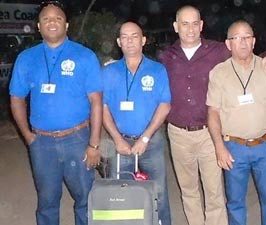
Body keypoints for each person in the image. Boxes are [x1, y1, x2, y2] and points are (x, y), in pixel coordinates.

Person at [158, 5, 266, 225]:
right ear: (176, 27)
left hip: (209, 132)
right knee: (189, 190)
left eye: (195, 23)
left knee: (214, 192)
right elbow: (144, 73)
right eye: (184, 24)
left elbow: (245, 52)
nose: (190, 29)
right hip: (177, 134)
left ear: (201, 25)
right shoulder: (166, 56)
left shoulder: (217, 51)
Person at [9, 1, 103, 225]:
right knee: (47, 201)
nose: (52, 22)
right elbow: (16, 99)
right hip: (42, 142)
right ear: (38, 26)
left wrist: (94, 145)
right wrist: (28, 137)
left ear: (67, 24)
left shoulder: (85, 56)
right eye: (46, 19)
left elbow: (97, 102)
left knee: (85, 199)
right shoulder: (26, 58)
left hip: (78, 139)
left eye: (58, 18)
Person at [207, 20, 266, 225]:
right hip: (234, 147)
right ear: (228, 44)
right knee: (235, 202)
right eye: (236, 38)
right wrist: (219, 147)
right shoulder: (218, 73)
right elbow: (213, 113)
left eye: (247, 37)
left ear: (254, 41)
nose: (243, 42)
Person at [102, 21, 171, 225]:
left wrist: (146, 137)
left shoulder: (157, 70)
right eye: (124, 36)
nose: (129, 40)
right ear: (118, 42)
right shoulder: (109, 71)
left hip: (152, 143)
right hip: (120, 144)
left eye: (134, 36)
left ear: (143, 40)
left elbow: (165, 105)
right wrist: (116, 139)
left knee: (158, 195)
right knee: (121, 196)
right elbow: (103, 107)